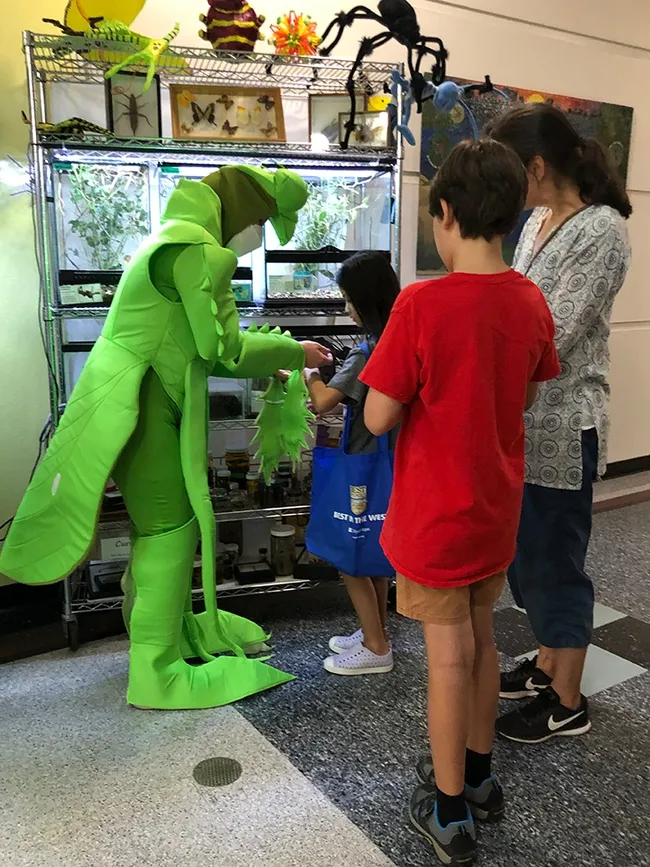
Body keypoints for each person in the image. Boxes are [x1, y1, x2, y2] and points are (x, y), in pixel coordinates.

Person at [360, 139, 561, 865]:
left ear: (444, 213)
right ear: (510, 216)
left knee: (446, 659)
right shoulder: (530, 299)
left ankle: (447, 812)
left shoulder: (420, 305)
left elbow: (379, 415)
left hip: (435, 521)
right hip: (494, 513)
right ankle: (477, 776)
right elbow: (529, 393)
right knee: (481, 641)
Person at [486, 104, 632, 744]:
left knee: (553, 560)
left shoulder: (602, 231)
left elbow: (554, 333)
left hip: (564, 424)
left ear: (537, 167)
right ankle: (548, 665)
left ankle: (568, 699)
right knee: (525, 557)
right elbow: (517, 306)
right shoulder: (539, 221)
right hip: (526, 418)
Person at [304, 251, 400, 675]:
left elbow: (324, 402)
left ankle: (376, 648)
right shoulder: (395, 340)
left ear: (365, 300)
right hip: (386, 459)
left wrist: (309, 375)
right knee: (372, 549)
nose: (346, 308)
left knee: (349, 553)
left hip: (360, 463)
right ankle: (374, 631)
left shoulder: (365, 351)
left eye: (348, 299)